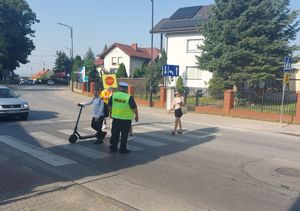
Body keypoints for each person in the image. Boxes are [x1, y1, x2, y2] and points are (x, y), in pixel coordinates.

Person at [108, 82, 139, 153]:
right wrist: (137, 117)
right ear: (126, 89)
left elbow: (109, 106)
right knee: (124, 135)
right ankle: (123, 149)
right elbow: (134, 108)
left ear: (119, 88)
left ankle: (113, 147)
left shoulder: (114, 95)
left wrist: (112, 112)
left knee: (115, 133)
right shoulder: (129, 97)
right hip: (126, 120)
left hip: (116, 118)